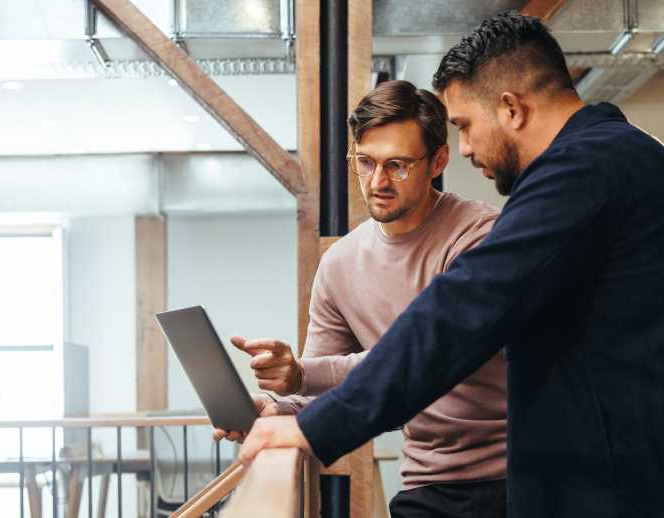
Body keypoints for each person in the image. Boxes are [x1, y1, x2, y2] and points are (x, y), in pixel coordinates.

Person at [236, 11, 664, 518]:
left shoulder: (577, 176)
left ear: (511, 108)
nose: (467, 148)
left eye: (466, 125)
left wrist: (314, 428)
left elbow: (461, 313)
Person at [216, 79, 508, 517]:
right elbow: (321, 388)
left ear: (438, 161)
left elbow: (420, 361)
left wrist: (302, 375)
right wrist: (278, 406)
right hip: (427, 481)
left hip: (514, 475)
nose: (378, 181)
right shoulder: (340, 264)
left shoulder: (478, 239)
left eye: (398, 165)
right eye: (365, 162)